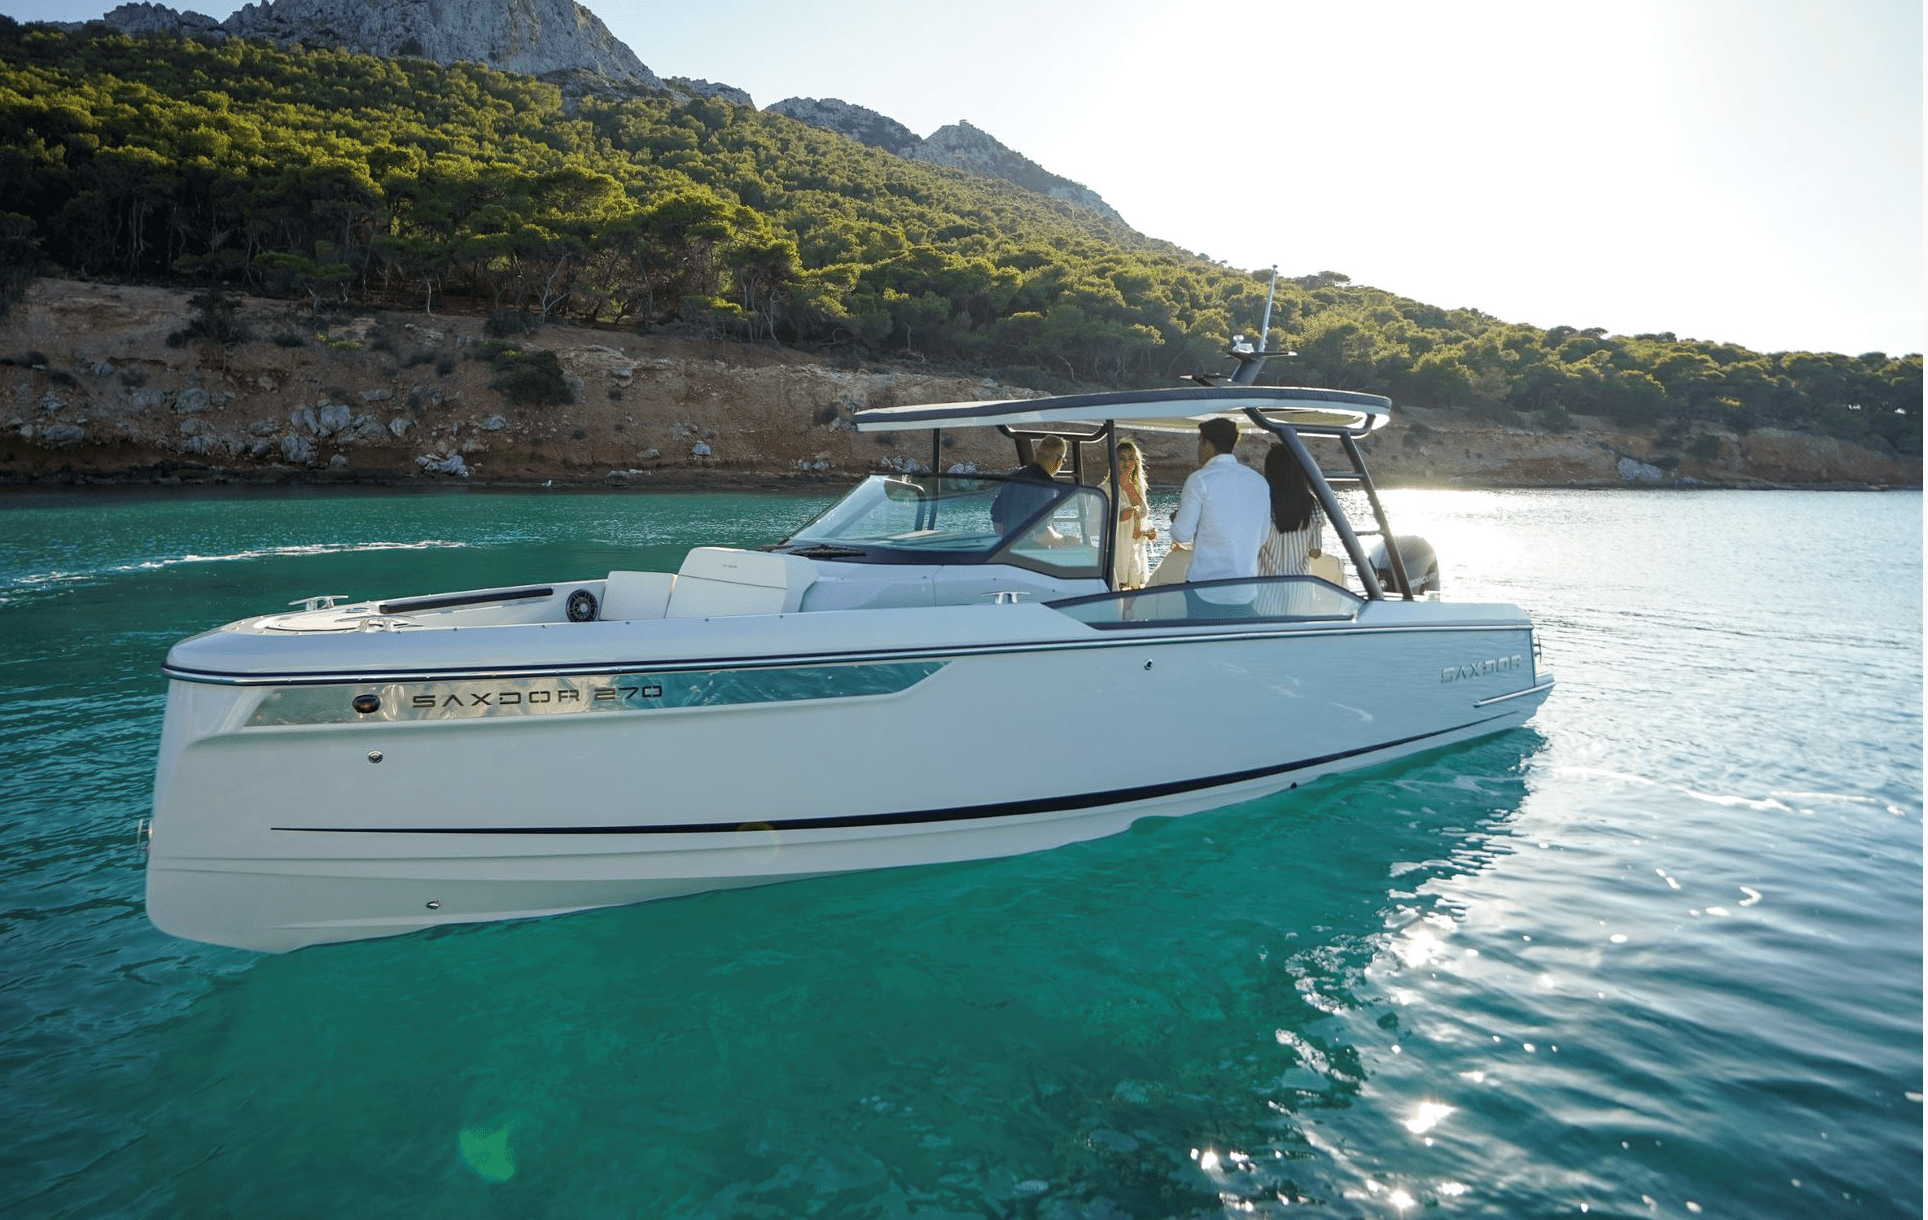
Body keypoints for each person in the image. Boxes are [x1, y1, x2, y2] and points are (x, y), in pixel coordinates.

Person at [1169, 417, 1269, 617]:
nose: (1198, 449)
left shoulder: (1200, 480)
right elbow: (1263, 536)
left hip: (1205, 590)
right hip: (1245, 590)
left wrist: (1177, 519)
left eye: (1199, 442)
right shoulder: (1258, 481)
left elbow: (1181, 534)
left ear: (1208, 444)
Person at [1256, 442, 1326, 616]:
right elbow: (1315, 553)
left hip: (1264, 598)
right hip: (1299, 596)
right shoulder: (1312, 506)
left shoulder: (1261, 505)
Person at [990, 434, 1067, 537]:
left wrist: (1008, 540)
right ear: (1059, 462)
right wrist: (1065, 540)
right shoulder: (1046, 489)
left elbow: (997, 519)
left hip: (1009, 545)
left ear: (1036, 453)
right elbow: (1041, 535)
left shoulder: (1015, 476)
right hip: (1031, 547)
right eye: (1063, 462)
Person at [1104, 439, 1156, 588]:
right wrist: (1117, 518)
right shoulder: (1105, 490)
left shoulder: (1138, 489)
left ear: (1136, 462)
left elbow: (1138, 526)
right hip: (1118, 556)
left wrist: (1149, 532)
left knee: (1135, 598)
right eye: (1122, 459)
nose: (1127, 463)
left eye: (1131, 458)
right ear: (1114, 462)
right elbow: (1094, 527)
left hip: (1136, 556)